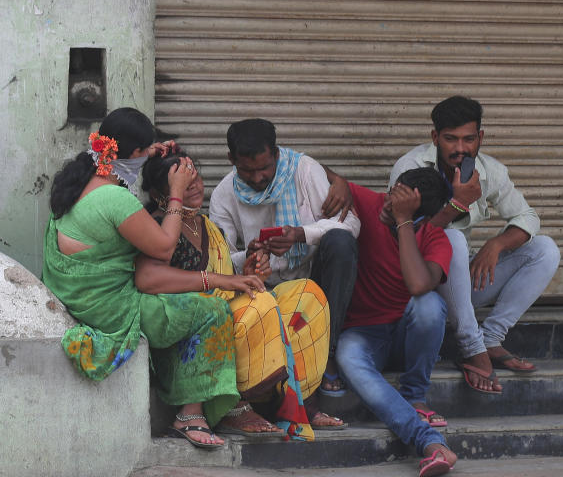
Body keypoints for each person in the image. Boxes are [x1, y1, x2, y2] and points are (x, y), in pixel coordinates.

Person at [43, 107, 239, 449]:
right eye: (144, 150)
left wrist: (150, 150)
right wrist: (177, 193)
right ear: (131, 154)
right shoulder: (115, 199)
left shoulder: (82, 180)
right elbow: (164, 248)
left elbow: (131, 158)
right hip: (109, 309)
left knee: (176, 304)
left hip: (78, 295)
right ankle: (189, 415)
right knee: (212, 312)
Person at [136, 150, 347, 440]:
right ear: (163, 192)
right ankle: (236, 405)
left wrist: (248, 275)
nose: (195, 184)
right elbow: (150, 278)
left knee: (305, 295)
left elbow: (224, 279)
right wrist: (224, 280)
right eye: (183, 182)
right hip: (196, 326)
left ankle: (297, 397)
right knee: (259, 305)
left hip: (224, 309)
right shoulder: (158, 223)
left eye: (195, 175)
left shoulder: (206, 224)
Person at [389, 95, 561, 394]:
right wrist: (457, 204)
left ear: (480, 137)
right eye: (450, 139)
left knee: (545, 250)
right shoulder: (411, 167)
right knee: (452, 237)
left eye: (468, 139)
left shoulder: (490, 171)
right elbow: (400, 235)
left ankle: (491, 338)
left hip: (459, 284)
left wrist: (496, 244)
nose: (460, 148)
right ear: (435, 137)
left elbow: (528, 217)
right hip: (419, 285)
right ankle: (472, 346)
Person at [209, 118, 360, 399]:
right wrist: (250, 257)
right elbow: (220, 260)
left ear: (276, 154)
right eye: (247, 171)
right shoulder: (223, 193)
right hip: (262, 289)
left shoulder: (304, 171)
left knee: (341, 243)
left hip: (314, 280)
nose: (256, 178)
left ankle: (326, 356)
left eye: (264, 168)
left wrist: (301, 234)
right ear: (231, 159)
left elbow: (350, 224)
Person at [336, 167, 457, 477]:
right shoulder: (370, 202)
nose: (388, 205)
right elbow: (319, 172)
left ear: (421, 218)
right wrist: (338, 182)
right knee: (347, 356)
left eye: (399, 204)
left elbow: (418, 285)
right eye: (392, 195)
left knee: (430, 304)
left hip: (406, 338)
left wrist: (403, 223)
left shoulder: (435, 238)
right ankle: (429, 441)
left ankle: (414, 394)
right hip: (365, 333)